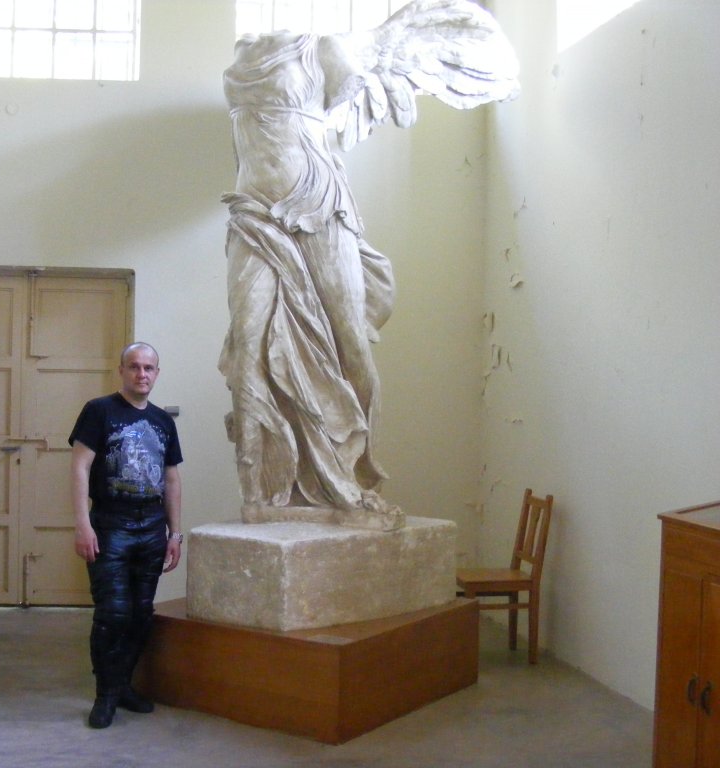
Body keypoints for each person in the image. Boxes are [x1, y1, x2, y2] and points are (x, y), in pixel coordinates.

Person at [218, 0, 519, 530]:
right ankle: (261, 491)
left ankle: (353, 480)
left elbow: (353, 96)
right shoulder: (240, 58)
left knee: (350, 342)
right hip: (253, 215)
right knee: (247, 347)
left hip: (318, 204)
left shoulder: (327, 49)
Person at [69, 342, 183, 729]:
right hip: (110, 524)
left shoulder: (163, 421)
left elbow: (171, 478)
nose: (142, 374)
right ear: (121, 370)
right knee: (112, 614)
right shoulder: (99, 411)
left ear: (157, 373)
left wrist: (175, 533)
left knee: (140, 614)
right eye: (134, 366)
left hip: (151, 527)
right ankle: (105, 695)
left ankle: (123, 686)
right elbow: (80, 468)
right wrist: (82, 524)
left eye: (149, 368)